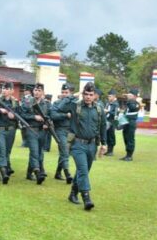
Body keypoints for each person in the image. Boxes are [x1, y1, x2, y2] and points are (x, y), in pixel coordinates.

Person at [55, 82, 107, 210]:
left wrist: (104, 143)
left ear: (94, 95)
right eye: (86, 94)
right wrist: (71, 96)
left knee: (83, 171)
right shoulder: (74, 106)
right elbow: (60, 108)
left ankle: (73, 193)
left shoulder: (99, 109)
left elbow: (103, 126)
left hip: (92, 145)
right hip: (77, 144)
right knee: (83, 170)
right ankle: (86, 198)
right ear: (82, 94)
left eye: (91, 94)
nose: (88, 97)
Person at [20, 83, 51, 184]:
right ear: (33, 91)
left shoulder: (46, 104)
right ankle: (38, 173)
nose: (37, 92)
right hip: (31, 129)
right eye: (35, 90)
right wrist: (34, 117)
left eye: (39, 90)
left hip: (42, 131)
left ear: (43, 92)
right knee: (34, 151)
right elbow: (22, 114)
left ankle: (29, 173)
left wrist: (47, 123)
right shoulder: (27, 102)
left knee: (38, 152)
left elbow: (50, 116)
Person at [0, 82, 19, 184]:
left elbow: (21, 114)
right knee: (2, 151)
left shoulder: (15, 102)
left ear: (12, 90)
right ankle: (4, 173)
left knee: (6, 152)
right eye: (3, 88)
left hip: (11, 130)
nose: (4, 90)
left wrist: (14, 116)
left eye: (7, 88)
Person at [51, 83, 73, 183]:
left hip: (71, 131)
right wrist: (65, 115)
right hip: (60, 130)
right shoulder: (56, 103)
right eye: (63, 92)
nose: (64, 94)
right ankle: (67, 173)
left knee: (65, 152)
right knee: (64, 150)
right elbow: (53, 116)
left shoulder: (74, 104)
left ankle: (58, 172)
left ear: (71, 93)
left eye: (66, 92)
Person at [121, 88, 140, 161]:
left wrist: (130, 99)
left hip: (131, 123)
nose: (128, 96)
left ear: (134, 96)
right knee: (125, 137)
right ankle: (127, 154)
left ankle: (130, 155)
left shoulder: (135, 104)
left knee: (130, 139)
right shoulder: (130, 102)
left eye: (130, 95)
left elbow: (132, 108)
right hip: (126, 122)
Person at [104, 89, 119, 156]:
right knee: (107, 135)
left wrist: (108, 111)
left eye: (110, 96)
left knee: (111, 136)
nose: (108, 97)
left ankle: (111, 151)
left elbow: (116, 114)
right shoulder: (108, 103)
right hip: (107, 120)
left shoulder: (116, 104)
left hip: (112, 121)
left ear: (114, 96)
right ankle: (108, 150)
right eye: (108, 96)